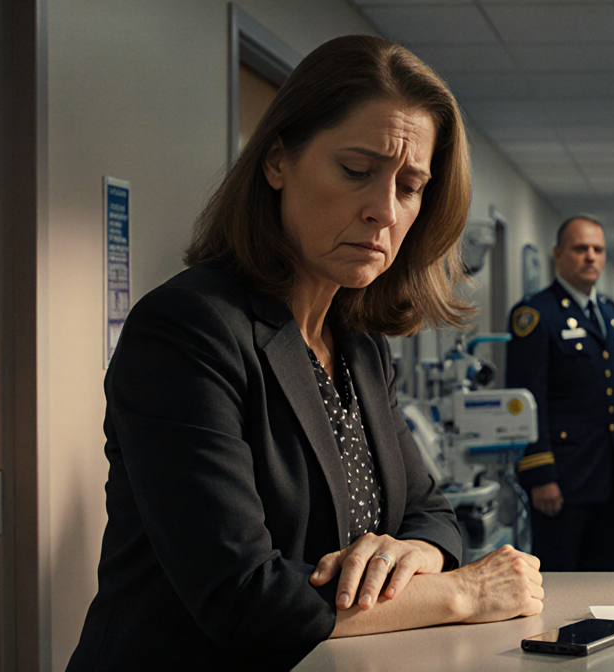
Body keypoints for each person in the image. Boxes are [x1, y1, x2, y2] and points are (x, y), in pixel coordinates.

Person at [68, 36, 542, 672]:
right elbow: (243, 598)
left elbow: (430, 512)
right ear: (277, 161)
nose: (383, 211)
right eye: (356, 171)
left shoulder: (359, 345)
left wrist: (413, 554)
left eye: (409, 186)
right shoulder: (187, 329)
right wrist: (464, 592)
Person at [506, 216, 614, 571]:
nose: (591, 256)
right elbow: (526, 401)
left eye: (598, 249)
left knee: (612, 575)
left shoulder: (611, 315)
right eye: (581, 248)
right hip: (564, 479)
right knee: (560, 577)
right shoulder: (536, 314)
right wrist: (540, 473)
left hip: (612, 476)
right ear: (558, 254)